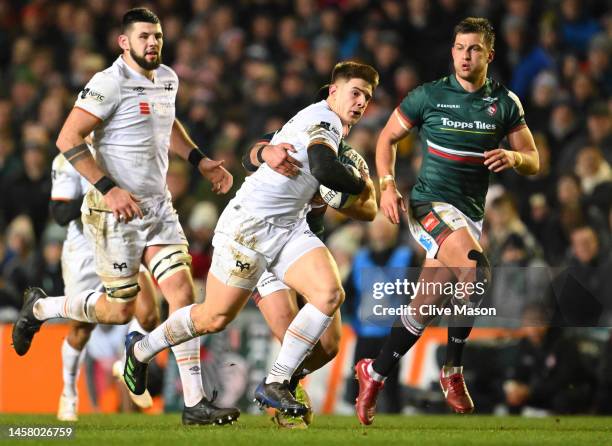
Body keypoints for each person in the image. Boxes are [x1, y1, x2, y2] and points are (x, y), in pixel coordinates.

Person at [11, 8, 237, 426]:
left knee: (183, 295)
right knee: (119, 311)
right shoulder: (108, 83)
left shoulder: (167, 77)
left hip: (157, 207)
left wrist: (200, 160)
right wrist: (108, 188)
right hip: (112, 213)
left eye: (157, 36)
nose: (152, 43)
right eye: (144, 36)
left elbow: (167, 125)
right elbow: (66, 137)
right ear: (123, 42)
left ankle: (193, 403)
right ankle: (42, 308)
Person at [118, 60, 378, 417]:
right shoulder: (326, 120)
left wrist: (272, 155)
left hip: (290, 228)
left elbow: (364, 206)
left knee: (330, 293)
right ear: (333, 91)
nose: (361, 102)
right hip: (249, 229)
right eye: (355, 92)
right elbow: (321, 167)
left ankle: (277, 381)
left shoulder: (329, 127)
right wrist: (359, 183)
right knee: (213, 317)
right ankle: (142, 349)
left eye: (367, 96)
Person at [355, 17, 540, 425]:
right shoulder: (430, 96)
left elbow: (533, 159)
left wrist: (513, 157)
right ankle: (452, 370)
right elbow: (386, 138)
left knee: (423, 306)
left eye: (473, 49)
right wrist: (386, 185)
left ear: (489, 55)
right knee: (476, 270)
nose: (464, 56)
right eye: (459, 47)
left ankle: (375, 371)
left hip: (469, 215)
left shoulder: (505, 104)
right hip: (428, 206)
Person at [243, 128, 377, 428]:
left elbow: (370, 210)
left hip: (306, 248)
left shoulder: (348, 158)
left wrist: (343, 200)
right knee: (286, 326)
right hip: (266, 246)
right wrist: (266, 152)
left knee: (328, 345)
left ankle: (285, 383)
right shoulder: (289, 137)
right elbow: (248, 157)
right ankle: (283, 396)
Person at [50, 151, 159, 421]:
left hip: (122, 242)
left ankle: (128, 363)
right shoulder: (67, 158)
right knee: (80, 329)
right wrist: (105, 193)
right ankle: (68, 394)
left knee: (148, 313)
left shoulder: (122, 144)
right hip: (84, 253)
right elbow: (60, 212)